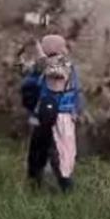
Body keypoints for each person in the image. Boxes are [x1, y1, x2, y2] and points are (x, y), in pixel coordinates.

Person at [20, 34, 82, 192]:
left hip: (60, 116)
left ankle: (65, 187)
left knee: (60, 153)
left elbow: (51, 70)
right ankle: (36, 182)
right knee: (38, 150)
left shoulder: (64, 64)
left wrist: (37, 49)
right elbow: (29, 76)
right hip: (45, 114)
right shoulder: (47, 66)